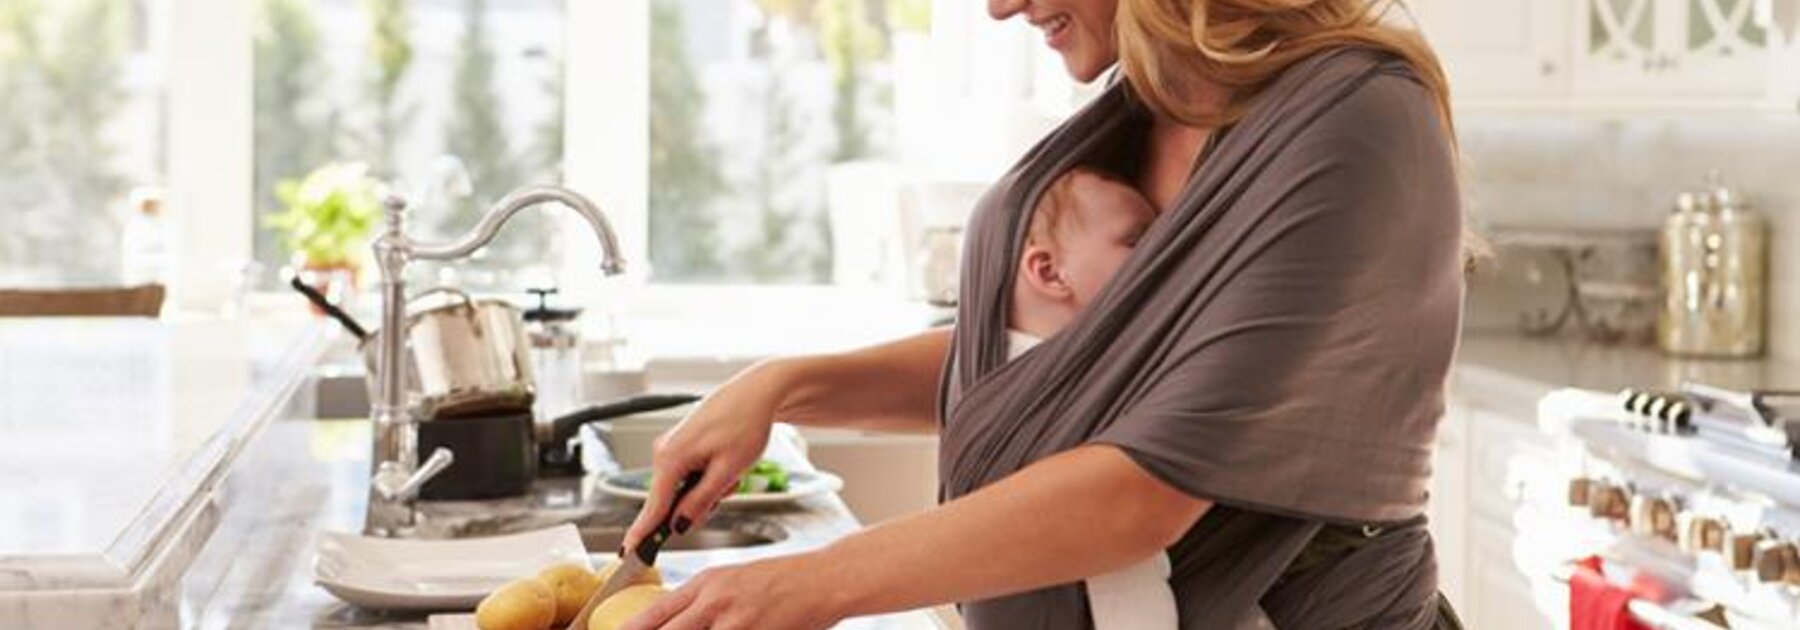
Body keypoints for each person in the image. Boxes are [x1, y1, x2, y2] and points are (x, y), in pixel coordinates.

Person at [619, 0, 1466, 628]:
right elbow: (1054, 365)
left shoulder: (1355, 121)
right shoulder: (1147, 108)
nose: (999, 8)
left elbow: (1150, 486)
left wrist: (815, 583)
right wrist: (783, 387)